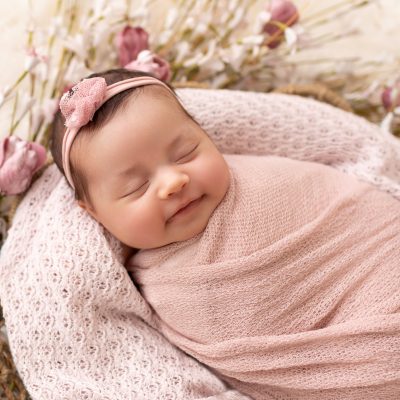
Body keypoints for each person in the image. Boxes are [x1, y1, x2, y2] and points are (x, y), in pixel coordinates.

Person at [51, 68, 400, 400]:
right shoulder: (157, 288)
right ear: (94, 213)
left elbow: (352, 210)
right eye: (136, 187)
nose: (174, 182)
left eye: (186, 153)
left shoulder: (262, 179)